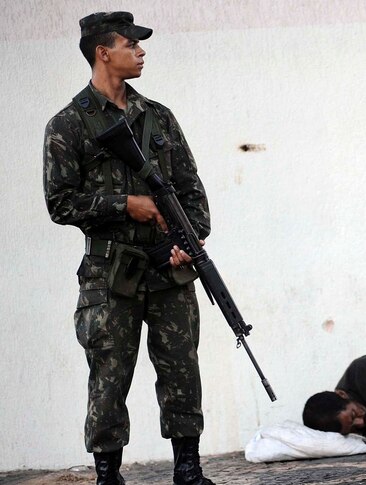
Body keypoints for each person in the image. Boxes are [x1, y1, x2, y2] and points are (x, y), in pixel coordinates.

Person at [43, 12, 214, 485]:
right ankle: (108, 476)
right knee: (108, 379)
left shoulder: (158, 117)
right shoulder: (69, 124)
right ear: (103, 52)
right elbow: (59, 202)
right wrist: (125, 204)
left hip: (168, 269)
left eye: (139, 45)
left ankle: (189, 470)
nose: (140, 51)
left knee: (182, 371)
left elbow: (191, 191)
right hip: (109, 272)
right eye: (130, 44)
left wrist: (187, 242)